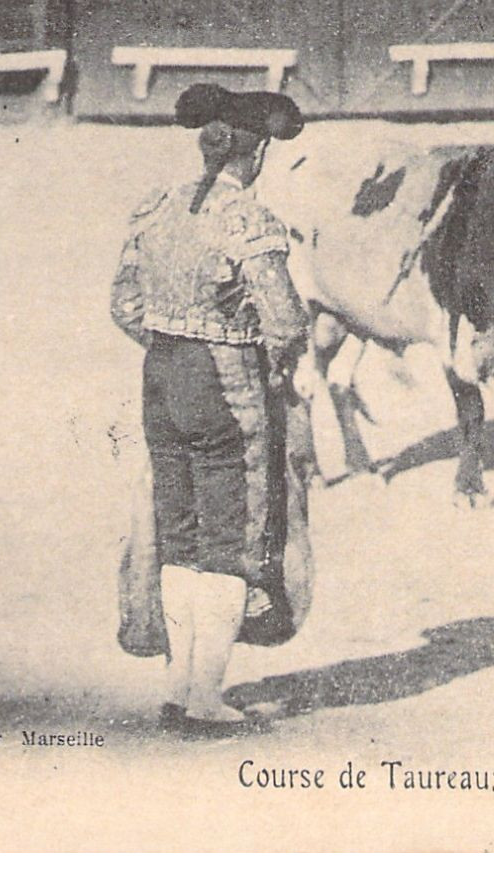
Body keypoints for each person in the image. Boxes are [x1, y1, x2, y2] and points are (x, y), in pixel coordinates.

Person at [110, 83, 312, 736]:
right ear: (254, 155)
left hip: (160, 377)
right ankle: (204, 695)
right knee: (232, 532)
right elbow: (284, 321)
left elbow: (123, 305)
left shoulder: (156, 205)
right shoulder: (248, 217)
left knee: (180, 527)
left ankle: (176, 686)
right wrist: (250, 350)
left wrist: (175, 334)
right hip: (225, 383)